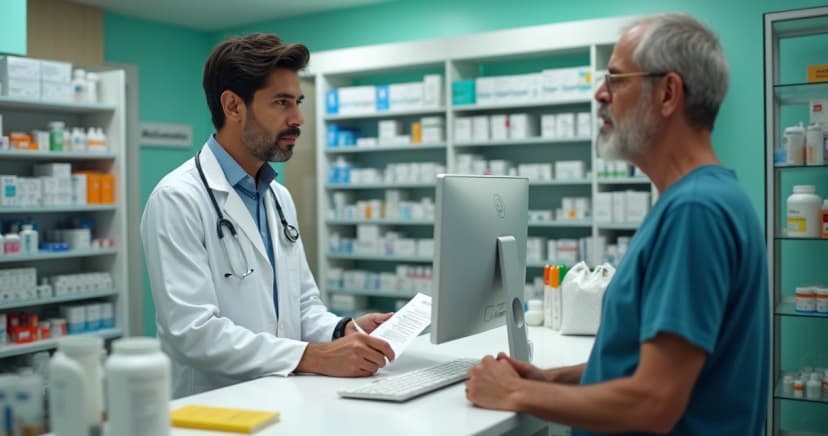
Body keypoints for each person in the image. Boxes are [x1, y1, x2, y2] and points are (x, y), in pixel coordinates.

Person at [466, 13, 769, 435]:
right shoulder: (698, 200)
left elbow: (654, 402)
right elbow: (643, 360)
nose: (599, 93)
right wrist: (551, 379)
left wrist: (515, 395)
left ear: (667, 93)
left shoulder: (695, 212)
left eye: (616, 79)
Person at [140, 33, 395, 398]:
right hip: (215, 409)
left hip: (284, 401)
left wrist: (342, 331)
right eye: (281, 103)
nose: (298, 118)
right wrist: (314, 356)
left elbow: (303, 305)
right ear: (233, 106)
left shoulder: (278, 197)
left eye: (298, 102)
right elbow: (192, 333)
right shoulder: (178, 198)